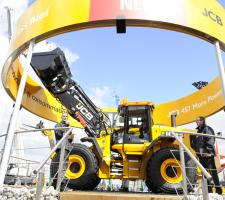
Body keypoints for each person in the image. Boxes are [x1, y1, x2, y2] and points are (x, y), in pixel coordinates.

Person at [191, 116, 222, 194]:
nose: (196, 122)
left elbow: (210, 140)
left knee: (212, 173)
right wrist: (197, 151)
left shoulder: (207, 129)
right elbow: (195, 143)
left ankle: (218, 191)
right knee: (205, 174)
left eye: (198, 120)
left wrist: (209, 151)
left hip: (208, 154)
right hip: (201, 155)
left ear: (202, 121)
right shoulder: (197, 131)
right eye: (196, 120)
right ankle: (209, 191)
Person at [51, 112, 74, 190]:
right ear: (61, 117)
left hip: (67, 148)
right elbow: (59, 134)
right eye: (63, 116)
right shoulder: (58, 125)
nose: (65, 117)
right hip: (61, 148)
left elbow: (69, 136)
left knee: (64, 167)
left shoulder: (68, 126)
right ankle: (58, 185)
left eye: (66, 116)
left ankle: (59, 185)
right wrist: (67, 126)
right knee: (59, 166)